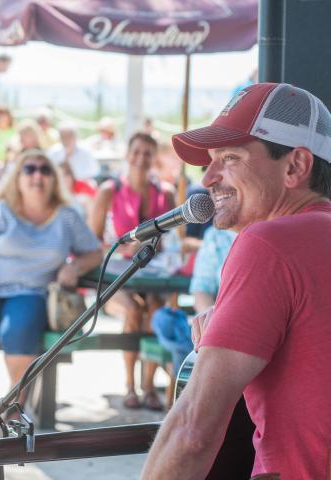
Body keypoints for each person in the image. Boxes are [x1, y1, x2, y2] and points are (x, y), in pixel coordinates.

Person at [141, 83, 331, 480]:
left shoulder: (268, 244)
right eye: (210, 161)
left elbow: (192, 432)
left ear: (295, 166)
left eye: (230, 158)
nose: (208, 178)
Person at [0, 149, 102, 430]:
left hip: (32, 292)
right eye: (30, 169)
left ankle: (15, 411)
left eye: (44, 170)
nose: (37, 175)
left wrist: (74, 267)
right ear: (18, 177)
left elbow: (95, 252)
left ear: (53, 178)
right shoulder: (1, 210)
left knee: (18, 329)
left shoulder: (67, 216)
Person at [90, 132, 175, 411]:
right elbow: (91, 242)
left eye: (147, 153)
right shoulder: (109, 191)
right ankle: (130, 385)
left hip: (152, 273)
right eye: (136, 152)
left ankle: (149, 386)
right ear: (127, 155)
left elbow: (171, 240)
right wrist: (121, 246)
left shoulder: (166, 193)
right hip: (117, 275)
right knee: (132, 311)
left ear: (154, 158)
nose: (141, 158)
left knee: (154, 309)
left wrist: (154, 244)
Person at [189, 226, 237, 313]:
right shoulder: (215, 235)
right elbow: (201, 289)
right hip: (224, 318)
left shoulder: (265, 230)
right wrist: (212, 321)